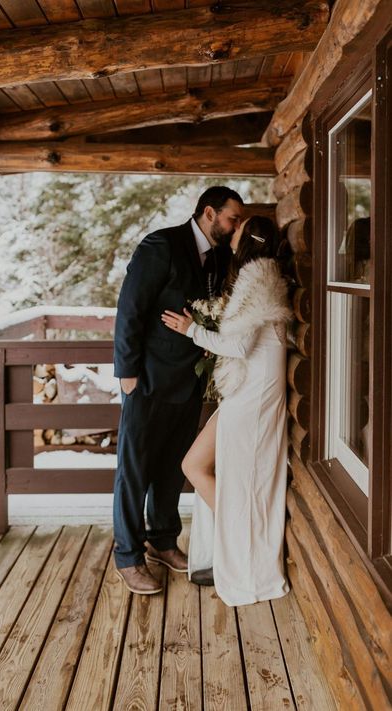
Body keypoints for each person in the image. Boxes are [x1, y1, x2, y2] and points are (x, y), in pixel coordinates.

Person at [113, 186, 244, 594]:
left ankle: (163, 541)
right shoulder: (161, 245)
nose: (235, 225)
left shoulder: (221, 258)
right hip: (148, 379)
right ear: (209, 212)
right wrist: (127, 371)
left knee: (173, 467)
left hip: (190, 382)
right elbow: (130, 308)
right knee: (135, 470)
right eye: (231, 218)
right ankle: (129, 555)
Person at [161, 215, 292, 605]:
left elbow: (238, 347)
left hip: (254, 400)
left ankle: (242, 546)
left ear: (248, 239)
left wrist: (193, 331)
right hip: (243, 392)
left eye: (238, 229)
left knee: (220, 475)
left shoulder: (260, 281)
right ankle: (234, 538)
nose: (232, 234)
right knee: (194, 465)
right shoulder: (255, 279)